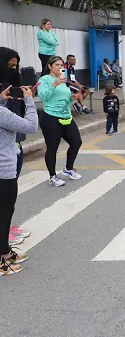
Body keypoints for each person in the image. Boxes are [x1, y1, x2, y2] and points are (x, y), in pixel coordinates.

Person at [0, 84, 38, 276]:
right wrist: (30, 100)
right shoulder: (2, 114)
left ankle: (5, 252)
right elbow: (30, 126)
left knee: (4, 213)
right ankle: (1, 260)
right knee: (4, 214)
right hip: (3, 171)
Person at [37, 56, 83, 186]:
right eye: (57, 65)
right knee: (52, 147)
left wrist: (72, 97)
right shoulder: (44, 80)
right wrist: (54, 84)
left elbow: (66, 99)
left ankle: (68, 169)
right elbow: (44, 96)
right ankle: (53, 176)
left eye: (62, 65)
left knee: (76, 142)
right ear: (50, 66)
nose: (60, 67)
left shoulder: (64, 80)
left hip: (66, 116)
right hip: (51, 117)